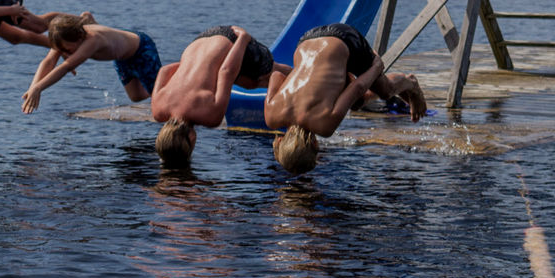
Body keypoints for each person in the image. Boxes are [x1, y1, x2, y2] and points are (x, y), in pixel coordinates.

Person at [262, 23, 426, 175]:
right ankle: (400, 87)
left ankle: (411, 83)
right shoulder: (271, 117)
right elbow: (276, 75)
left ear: (315, 144)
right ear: (280, 141)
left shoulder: (324, 126)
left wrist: (376, 68)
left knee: (385, 91)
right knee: (358, 103)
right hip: (307, 39)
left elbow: (358, 87)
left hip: (345, 40)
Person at [148, 25, 286, 169]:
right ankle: (292, 73)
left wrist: (243, 39)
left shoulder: (209, 116)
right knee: (247, 80)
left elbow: (226, 72)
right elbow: (164, 70)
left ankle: (295, 79)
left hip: (230, 40)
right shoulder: (158, 110)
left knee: (258, 80)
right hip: (199, 41)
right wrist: (193, 65)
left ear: (191, 138)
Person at [20, 13, 164, 113]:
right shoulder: (64, 38)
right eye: (62, 50)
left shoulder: (93, 40)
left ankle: (171, 78)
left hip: (141, 50)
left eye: (67, 49)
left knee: (158, 97)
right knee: (136, 97)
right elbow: (49, 60)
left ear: (79, 38)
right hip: (121, 58)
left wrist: (39, 88)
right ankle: (164, 81)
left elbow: (66, 66)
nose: (65, 53)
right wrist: (32, 88)